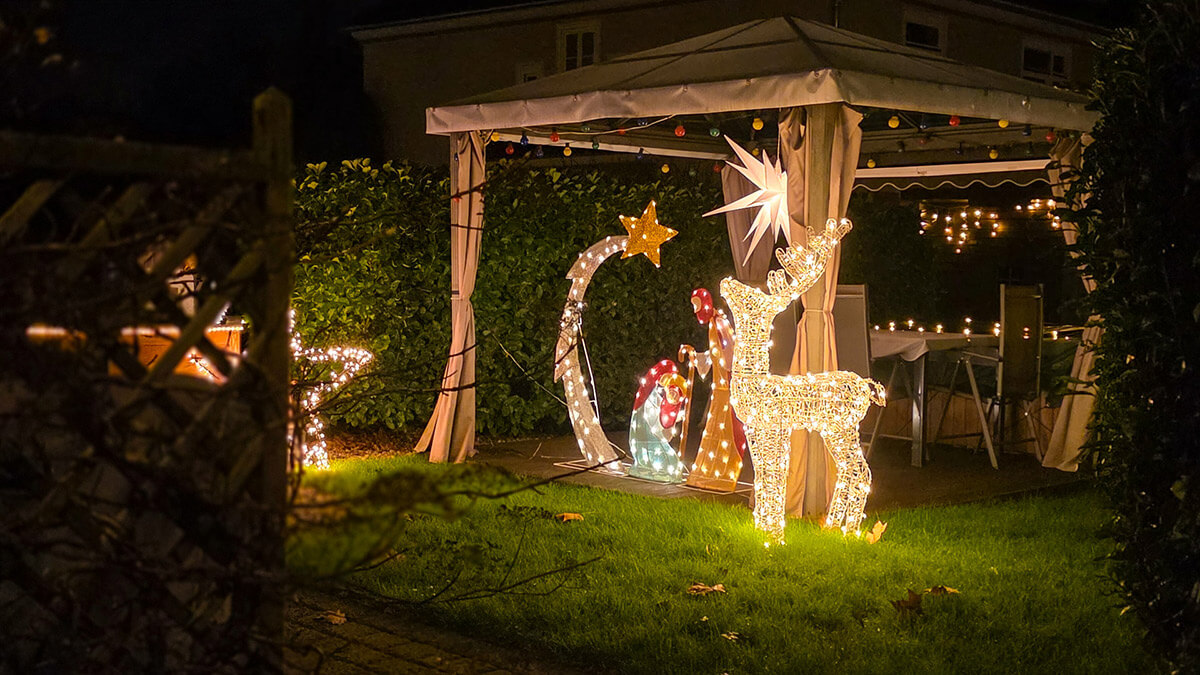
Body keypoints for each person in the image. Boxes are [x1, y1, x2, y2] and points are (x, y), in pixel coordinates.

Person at [680, 288, 747, 492]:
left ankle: (723, 474)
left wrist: (727, 374)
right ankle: (711, 472)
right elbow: (716, 353)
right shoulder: (713, 324)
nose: (695, 310)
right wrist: (697, 358)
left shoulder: (719, 323)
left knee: (725, 430)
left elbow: (730, 352)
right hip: (720, 387)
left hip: (726, 387)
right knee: (715, 430)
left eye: (697, 305)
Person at [627, 359, 688, 482]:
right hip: (647, 428)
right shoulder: (650, 395)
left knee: (667, 459)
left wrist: (675, 414)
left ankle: (656, 469)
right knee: (660, 455)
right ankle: (652, 469)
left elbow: (664, 414)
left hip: (651, 428)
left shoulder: (659, 393)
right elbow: (656, 417)